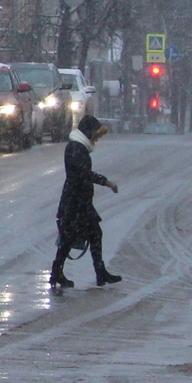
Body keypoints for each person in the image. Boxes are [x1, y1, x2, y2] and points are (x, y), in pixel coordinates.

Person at [52, 114, 123, 290]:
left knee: (81, 236)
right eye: (95, 135)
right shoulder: (77, 149)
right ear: (88, 132)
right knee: (74, 238)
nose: (96, 139)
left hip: (77, 201)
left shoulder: (77, 147)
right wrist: (107, 182)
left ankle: (62, 273)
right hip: (76, 202)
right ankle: (62, 273)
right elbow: (84, 174)